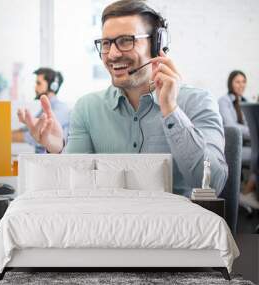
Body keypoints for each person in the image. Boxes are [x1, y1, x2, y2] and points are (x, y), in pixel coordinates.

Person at [18, 0, 227, 197]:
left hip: (177, 231)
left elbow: (213, 184)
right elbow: (77, 192)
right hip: (110, 229)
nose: (113, 54)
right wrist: (58, 151)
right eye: (106, 43)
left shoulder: (197, 101)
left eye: (126, 41)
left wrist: (171, 111)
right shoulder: (87, 108)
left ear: (157, 45)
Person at [218, 70, 259, 209]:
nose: (241, 85)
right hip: (232, 148)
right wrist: (254, 131)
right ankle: (247, 191)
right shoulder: (224, 101)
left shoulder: (245, 101)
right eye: (237, 81)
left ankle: (248, 191)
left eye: (243, 81)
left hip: (246, 145)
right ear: (231, 83)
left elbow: (249, 125)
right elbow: (231, 127)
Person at [12, 68, 70, 153]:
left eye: (39, 83)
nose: (35, 87)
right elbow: (27, 128)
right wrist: (6, 132)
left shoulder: (60, 109)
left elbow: (33, 136)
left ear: (53, 86)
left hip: (50, 162)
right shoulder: (44, 109)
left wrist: (5, 136)